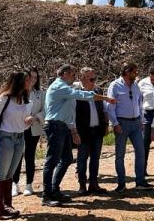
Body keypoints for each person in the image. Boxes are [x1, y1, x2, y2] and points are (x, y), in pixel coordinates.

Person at [43, 64, 115, 207]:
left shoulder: (65, 89)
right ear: (64, 74)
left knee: (67, 158)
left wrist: (72, 130)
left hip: (61, 126)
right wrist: (105, 98)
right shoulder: (60, 87)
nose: (74, 77)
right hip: (55, 126)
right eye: (72, 74)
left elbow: (68, 112)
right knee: (52, 161)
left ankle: (55, 190)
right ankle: (47, 195)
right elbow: (82, 95)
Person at [0, 71, 32, 220]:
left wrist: (27, 122)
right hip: (5, 137)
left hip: (20, 137)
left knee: (9, 174)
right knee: (0, 174)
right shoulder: (5, 98)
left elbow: (23, 122)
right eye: (27, 80)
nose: (29, 83)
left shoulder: (24, 99)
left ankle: (8, 206)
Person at [107, 61, 152, 192]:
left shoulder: (136, 85)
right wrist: (115, 123)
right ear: (127, 72)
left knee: (141, 152)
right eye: (135, 71)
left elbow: (140, 103)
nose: (137, 73)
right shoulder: (115, 85)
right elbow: (110, 107)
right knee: (120, 154)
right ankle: (121, 184)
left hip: (136, 123)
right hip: (122, 123)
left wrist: (142, 121)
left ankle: (140, 182)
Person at [74, 67, 108, 195]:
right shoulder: (76, 93)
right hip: (83, 131)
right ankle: (82, 184)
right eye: (91, 78)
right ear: (82, 79)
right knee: (82, 158)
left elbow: (104, 109)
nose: (94, 81)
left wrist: (106, 125)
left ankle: (94, 183)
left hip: (97, 130)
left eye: (95, 78)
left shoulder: (98, 90)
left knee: (95, 158)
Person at [12, 67, 45, 197]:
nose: (33, 80)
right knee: (17, 156)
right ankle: (15, 184)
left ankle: (29, 184)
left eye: (35, 78)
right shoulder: (17, 93)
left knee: (30, 156)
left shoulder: (40, 94)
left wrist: (36, 117)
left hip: (33, 128)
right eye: (30, 77)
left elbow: (45, 110)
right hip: (19, 128)